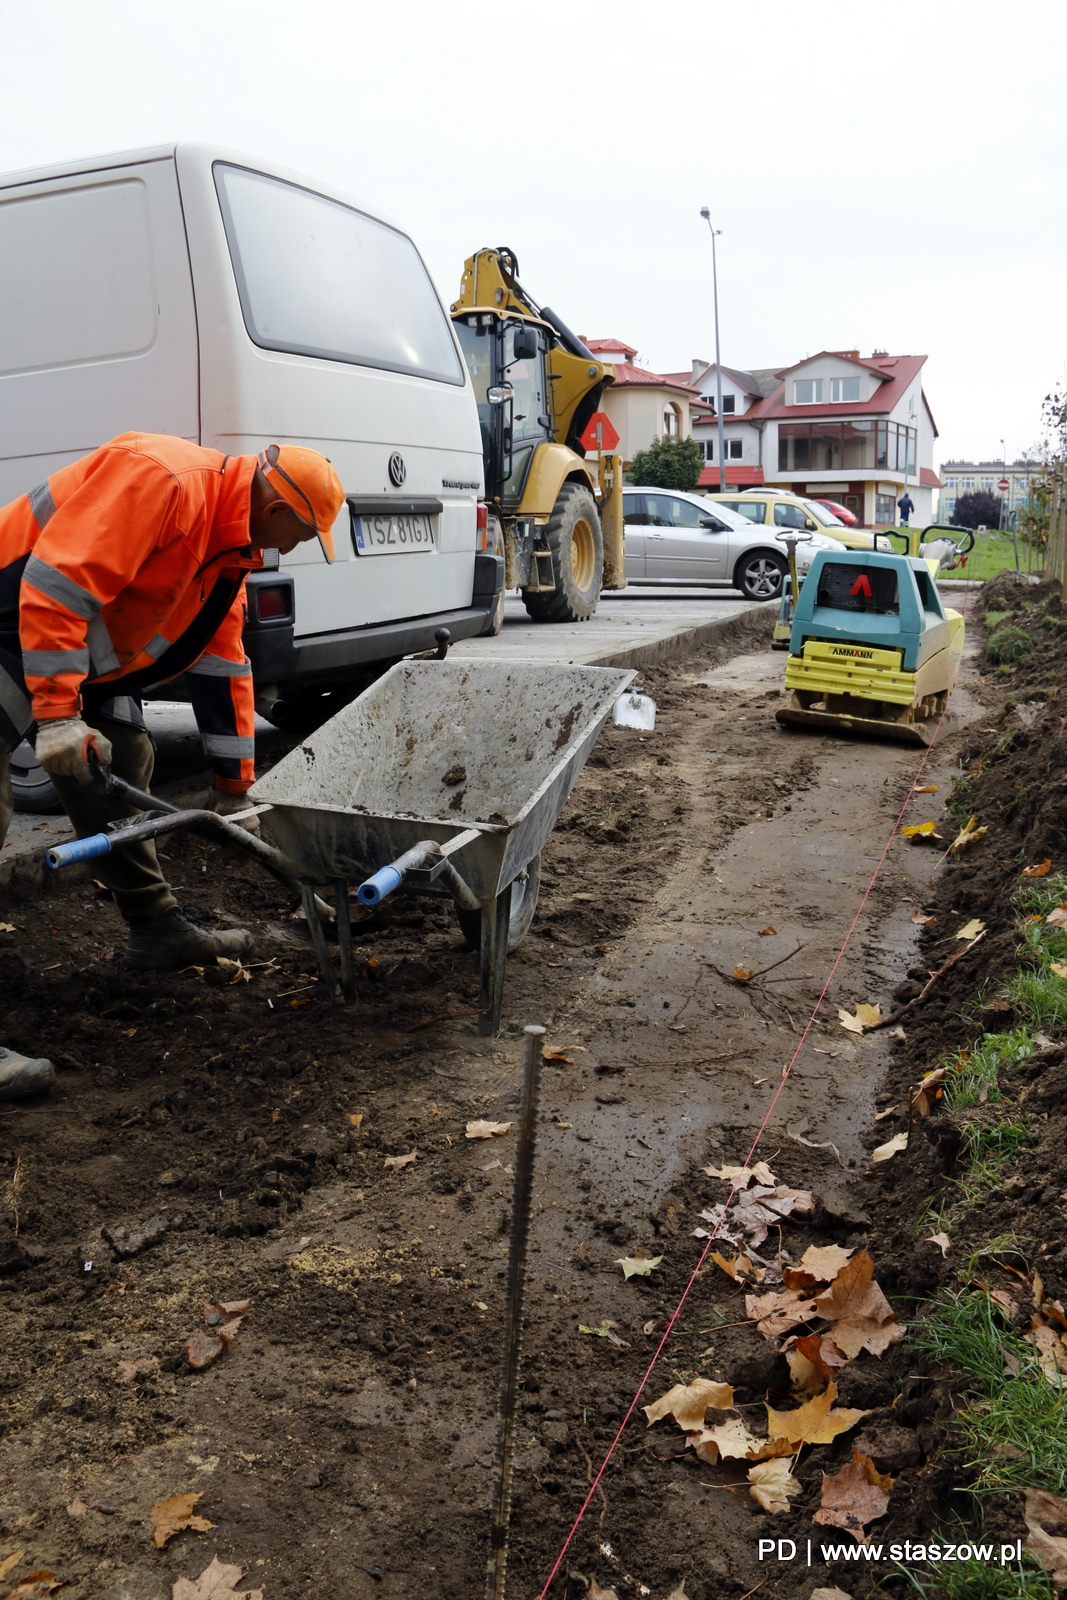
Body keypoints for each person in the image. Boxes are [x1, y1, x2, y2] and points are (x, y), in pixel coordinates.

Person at [0, 433, 344, 1100]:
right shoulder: (165, 480)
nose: (292, 549)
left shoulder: (228, 547)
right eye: (301, 536)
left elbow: (223, 658)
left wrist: (232, 784)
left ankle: (155, 930)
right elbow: (55, 583)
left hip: (72, 642)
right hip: (12, 613)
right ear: (276, 509)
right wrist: (58, 715)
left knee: (125, 755)